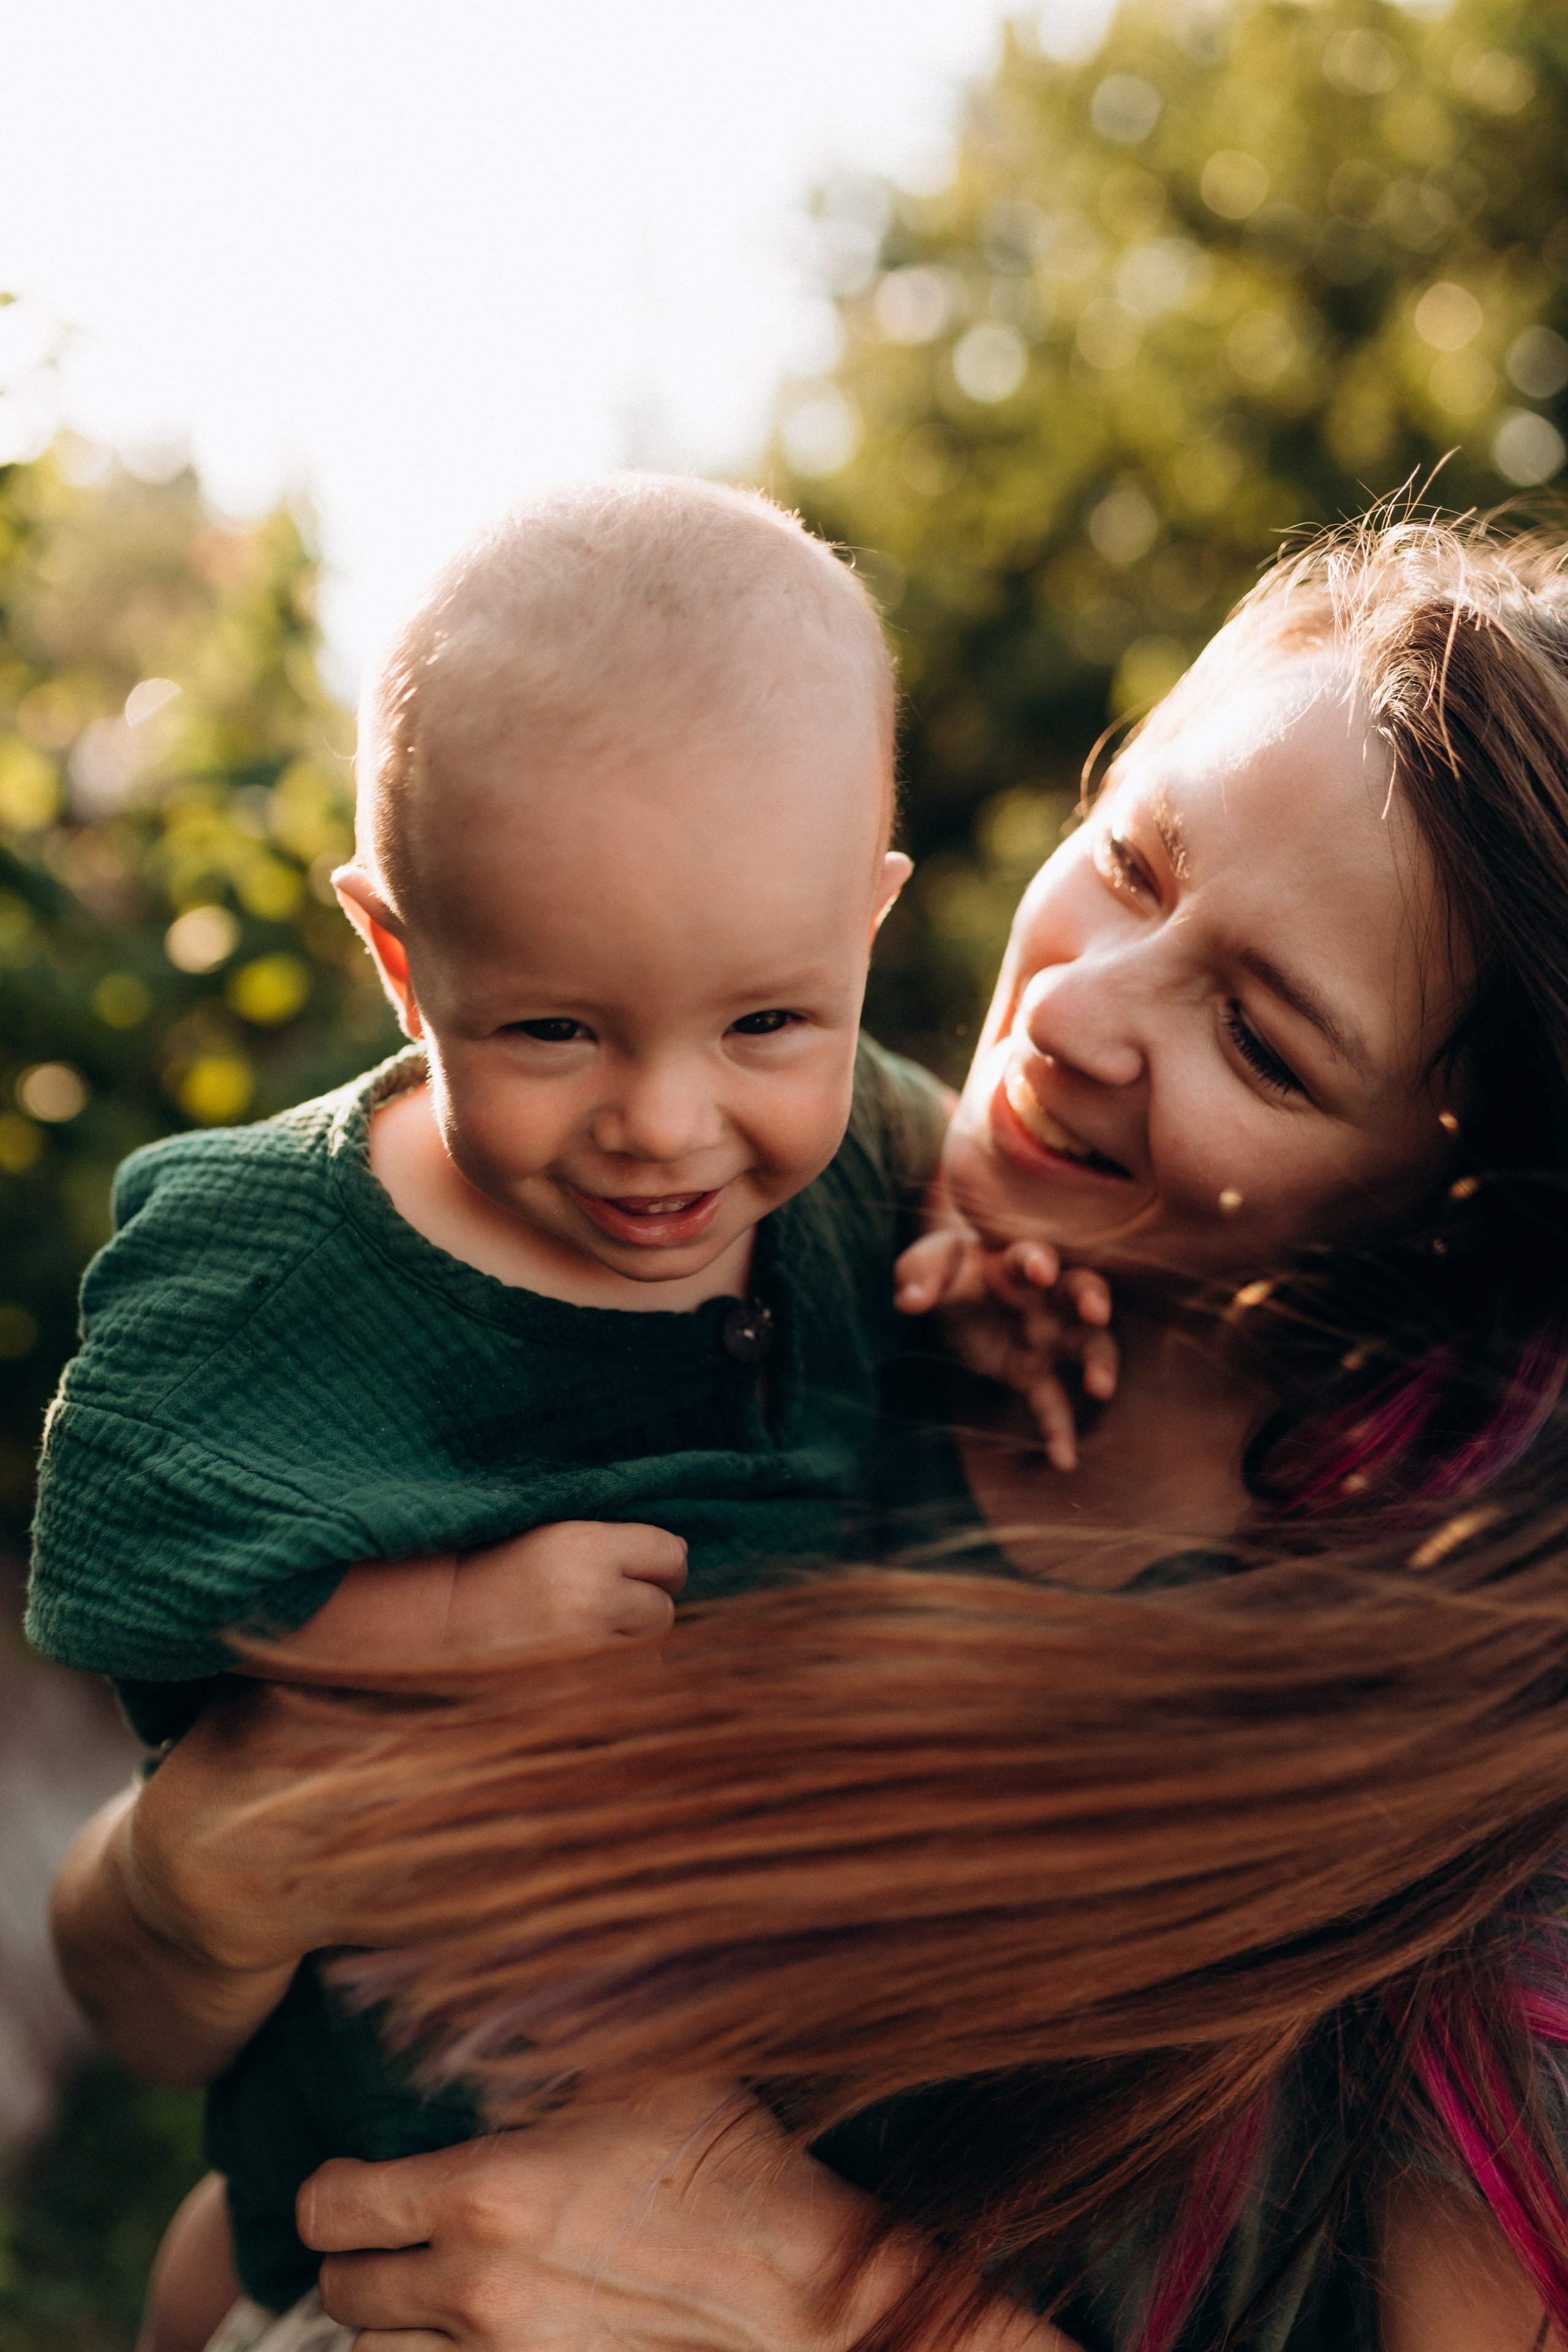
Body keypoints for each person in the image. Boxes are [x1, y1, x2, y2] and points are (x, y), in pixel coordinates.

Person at [51, 512, 1568, 2349]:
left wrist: (832, 2308)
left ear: (1455, 1201)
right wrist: (192, 1885)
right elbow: (202, 2063)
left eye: (1260, 1039)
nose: (1079, 1008)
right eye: (1135, 864)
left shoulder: (1466, 1803)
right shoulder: (808, 1265)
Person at [26, 470, 1025, 2349]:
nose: (667, 1121)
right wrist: (441, 1626)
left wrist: (1003, 1250)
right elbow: (134, 1545)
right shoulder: (275, 1256)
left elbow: (952, 1172)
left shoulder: (860, 1146)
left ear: (863, 931)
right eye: (553, 1031)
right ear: (404, 958)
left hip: (746, 2164)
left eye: (766, 1025)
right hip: (415, 2212)